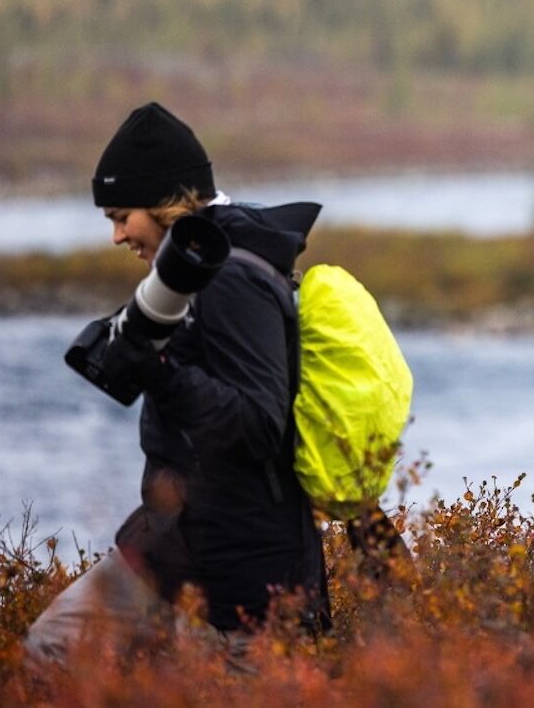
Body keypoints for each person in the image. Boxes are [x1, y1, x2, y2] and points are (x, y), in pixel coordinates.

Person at [25, 102, 327, 664]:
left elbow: (260, 425)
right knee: (52, 649)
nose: (116, 236)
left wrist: (160, 374)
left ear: (167, 204)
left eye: (122, 216)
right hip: (174, 549)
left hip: (249, 578)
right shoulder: (189, 273)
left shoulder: (233, 277)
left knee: (56, 652)